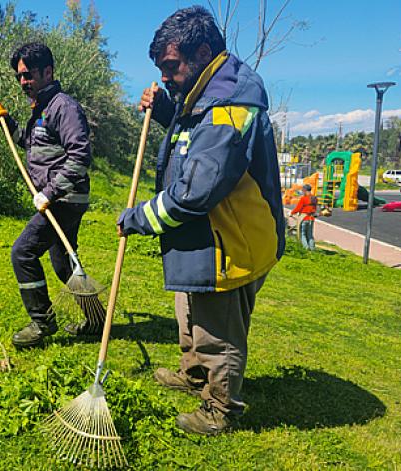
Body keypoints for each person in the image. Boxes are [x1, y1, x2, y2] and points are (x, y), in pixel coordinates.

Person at [116, 5, 285, 435]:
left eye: (171, 67)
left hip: (230, 242)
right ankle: (194, 375)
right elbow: (191, 138)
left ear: (203, 52)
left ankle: (220, 409)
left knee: (217, 333)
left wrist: (138, 218)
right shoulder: (205, 96)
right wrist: (163, 113)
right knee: (188, 312)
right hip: (204, 240)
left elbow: (196, 191)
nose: (166, 76)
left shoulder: (230, 107)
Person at [0, 42, 97, 348]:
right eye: (19, 77)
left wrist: (49, 193)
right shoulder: (41, 108)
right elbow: (28, 142)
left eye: (28, 75)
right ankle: (96, 319)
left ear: (48, 71)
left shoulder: (63, 106)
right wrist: (7, 121)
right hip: (60, 199)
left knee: (23, 253)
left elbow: (80, 155)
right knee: (64, 262)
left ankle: (42, 323)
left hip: (63, 200)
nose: (23, 82)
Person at [290, 184, 318, 250]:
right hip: (311, 218)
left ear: (305, 190)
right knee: (310, 235)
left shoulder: (303, 199)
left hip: (304, 218)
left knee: (302, 234)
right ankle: (312, 249)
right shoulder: (314, 198)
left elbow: (298, 208)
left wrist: (292, 213)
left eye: (303, 191)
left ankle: (306, 248)